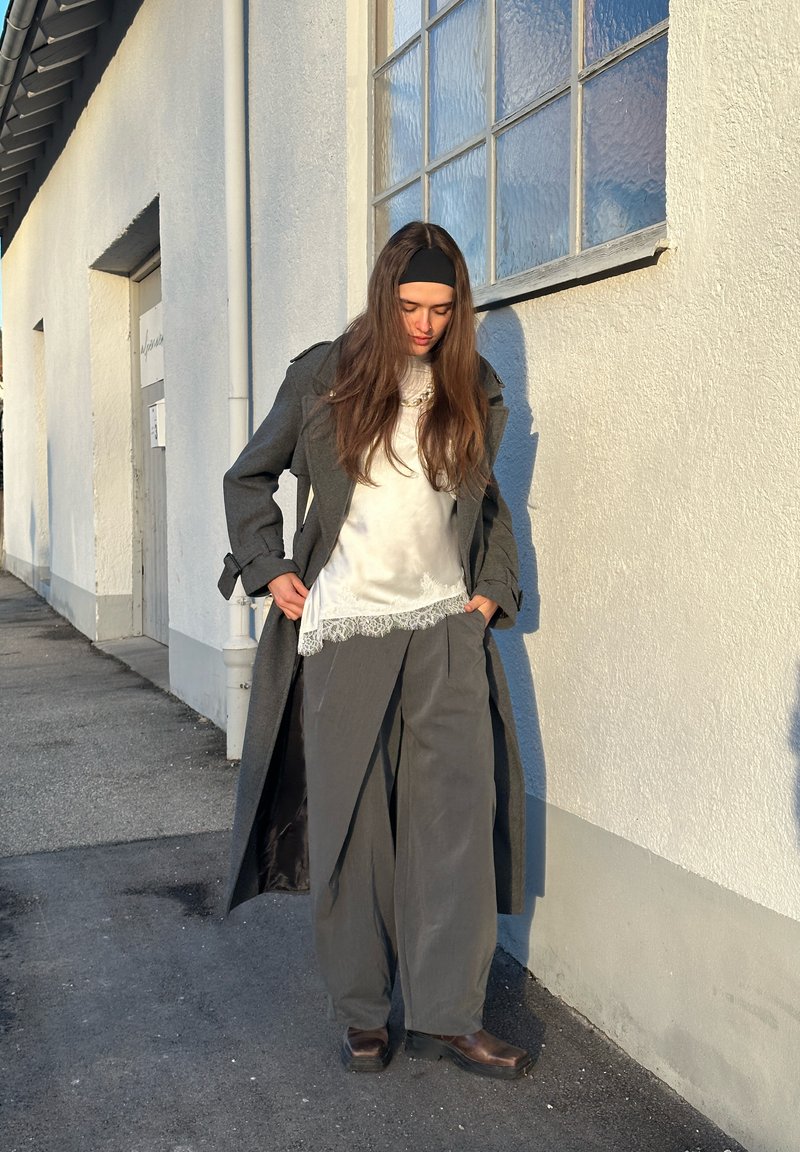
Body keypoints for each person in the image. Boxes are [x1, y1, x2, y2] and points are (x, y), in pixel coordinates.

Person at [219, 221, 529, 1079]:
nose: (424, 324)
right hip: (347, 625)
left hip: (442, 628)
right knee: (354, 828)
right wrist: (268, 566)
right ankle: (362, 1011)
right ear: (384, 293)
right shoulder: (327, 375)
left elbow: (489, 506)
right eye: (409, 305)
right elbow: (248, 476)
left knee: (455, 824)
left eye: (440, 307)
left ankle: (450, 1013)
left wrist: (490, 593)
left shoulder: (470, 384)